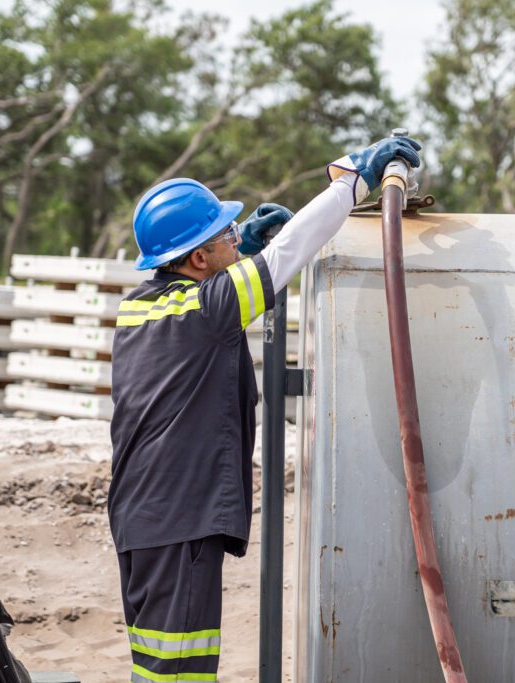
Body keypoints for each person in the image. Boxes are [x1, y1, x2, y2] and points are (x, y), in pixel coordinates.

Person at [107, 135, 421, 683]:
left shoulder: (145, 307)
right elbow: (291, 251)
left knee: (157, 664)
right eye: (225, 233)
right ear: (199, 258)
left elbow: (229, 287)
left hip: (144, 515)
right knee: (177, 671)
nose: (237, 234)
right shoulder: (207, 310)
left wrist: (240, 250)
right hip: (178, 519)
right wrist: (351, 178)